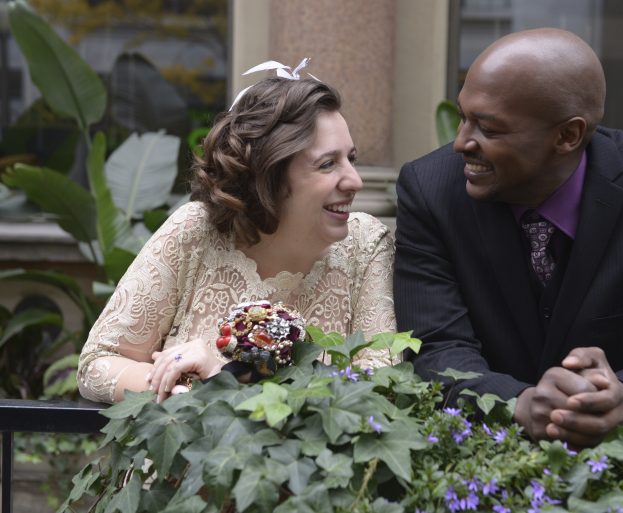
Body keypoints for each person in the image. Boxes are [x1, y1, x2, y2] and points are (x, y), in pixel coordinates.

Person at [393, 28, 623, 447]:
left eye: (489, 129)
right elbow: (435, 348)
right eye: (462, 116)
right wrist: (517, 403)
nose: (461, 142)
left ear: (567, 135)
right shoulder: (429, 191)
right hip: (474, 461)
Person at [78, 75, 397, 404]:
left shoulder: (366, 245)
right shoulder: (195, 232)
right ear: (268, 174)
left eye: (351, 159)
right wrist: (182, 390)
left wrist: (220, 379)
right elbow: (97, 363)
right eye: (328, 164)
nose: (355, 180)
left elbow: (379, 391)